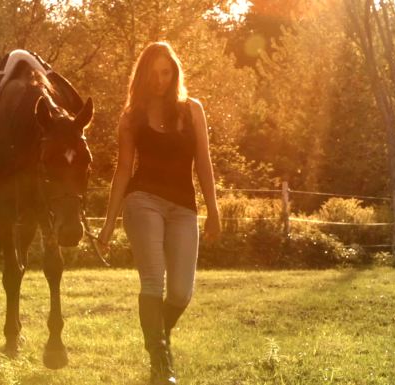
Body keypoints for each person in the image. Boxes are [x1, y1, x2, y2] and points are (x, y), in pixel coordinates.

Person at [98, 41, 221, 385]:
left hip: (184, 207)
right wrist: (108, 224)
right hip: (143, 201)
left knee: (181, 292)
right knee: (153, 281)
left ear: (175, 73)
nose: (160, 80)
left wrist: (214, 209)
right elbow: (123, 170)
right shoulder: (131, 116)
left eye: (166, 73)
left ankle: (156, 337)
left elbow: (204, 163)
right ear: (143, 75)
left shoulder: (192, 110)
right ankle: (161, 367)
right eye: (153, 74)